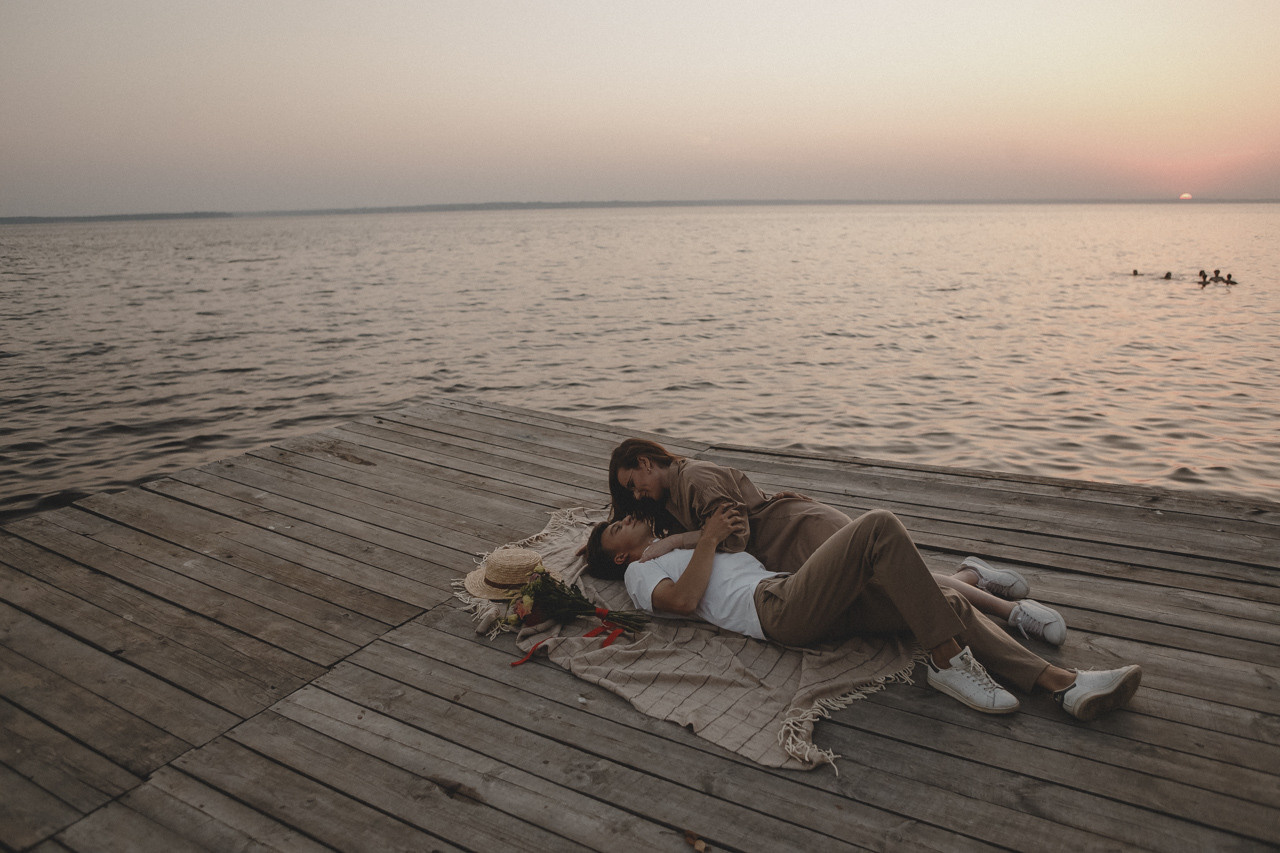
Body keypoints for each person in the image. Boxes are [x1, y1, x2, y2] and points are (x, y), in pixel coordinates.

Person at [585, 506, 1142, 720]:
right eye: (617, 525)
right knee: (877, 526)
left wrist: (692, 537)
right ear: (620, 553)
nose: (628, 517)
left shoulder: (669, 550)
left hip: (792, 595)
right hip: (776, 612)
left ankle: (1064, 684)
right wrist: (703, 540)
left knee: (941, 601)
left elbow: (725, 542)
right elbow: (681, 603)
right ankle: (947, 662)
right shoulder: (639, 573)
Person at [606, 438, 1065, 643]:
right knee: (888, 583)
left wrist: (674, 544)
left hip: (796, 529)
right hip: (778, 555)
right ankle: (972, 574)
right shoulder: (670, 502)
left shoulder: (697, 478)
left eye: (632, 482)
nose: (635, 494)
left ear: (647, 462)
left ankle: (1011, 613)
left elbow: (735, 536)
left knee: (897, 580)